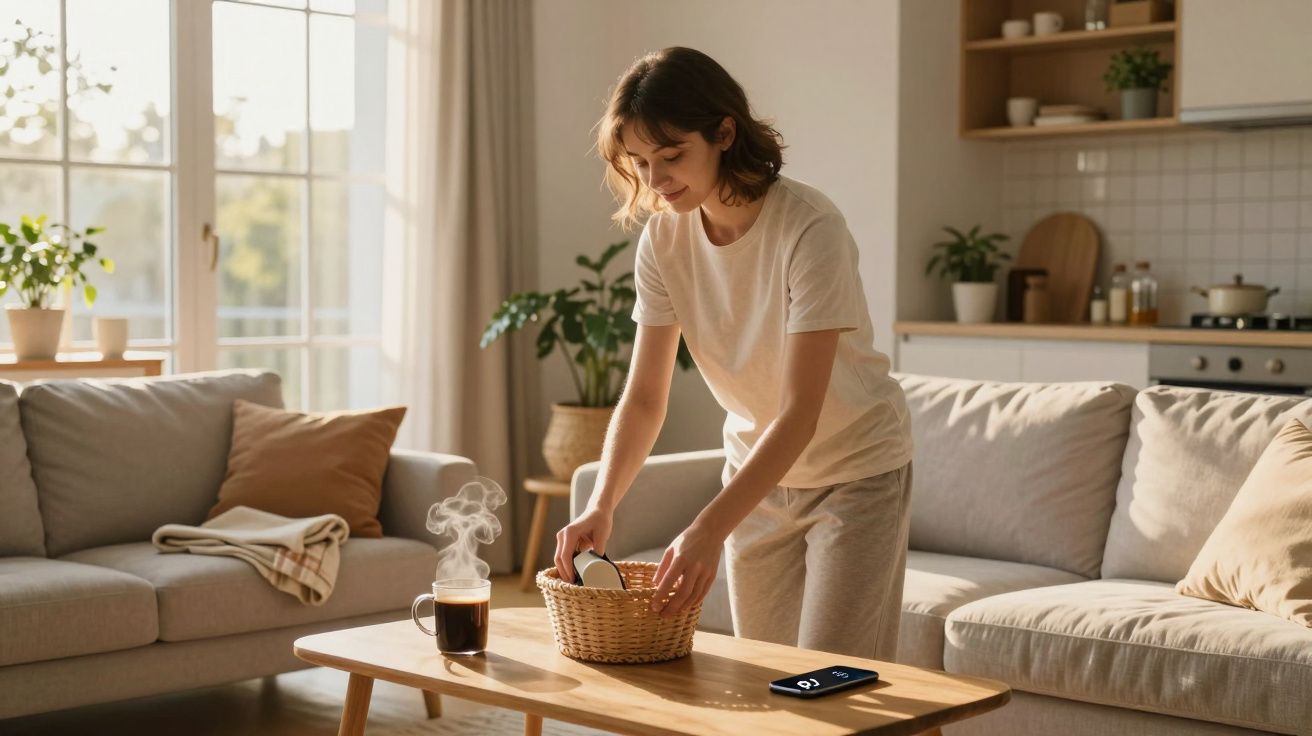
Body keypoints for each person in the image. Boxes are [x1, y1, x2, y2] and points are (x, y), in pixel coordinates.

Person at [552, 46, 913, 660]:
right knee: (763, 680)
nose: (656, 181)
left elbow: (800, 411)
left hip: (856, 475)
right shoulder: (663, 240)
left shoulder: (809, 229)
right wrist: (601, 504)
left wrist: (707, 528)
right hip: (758, 481)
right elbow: (643, 397)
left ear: (724, 132)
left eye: (671, 157)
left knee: (830, 686)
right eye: (640, 162)